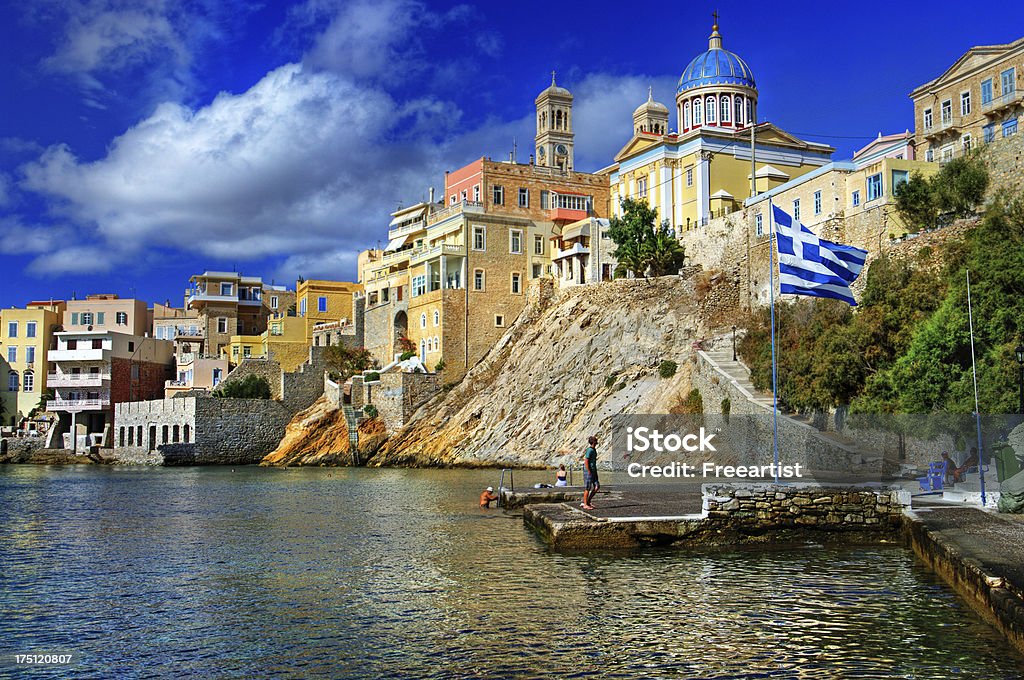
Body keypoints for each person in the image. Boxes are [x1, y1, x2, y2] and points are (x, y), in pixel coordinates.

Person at [581, 436, 599, 510]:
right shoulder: (590, 450)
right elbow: (586, 461)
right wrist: (588, 471)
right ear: (593, 442)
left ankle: (588, 501)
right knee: (587, 488)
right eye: (595, 440)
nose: (597, 440)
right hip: (589, 470)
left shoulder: (594, 450)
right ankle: (585, 504)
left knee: (597, 486)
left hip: (594, 470)